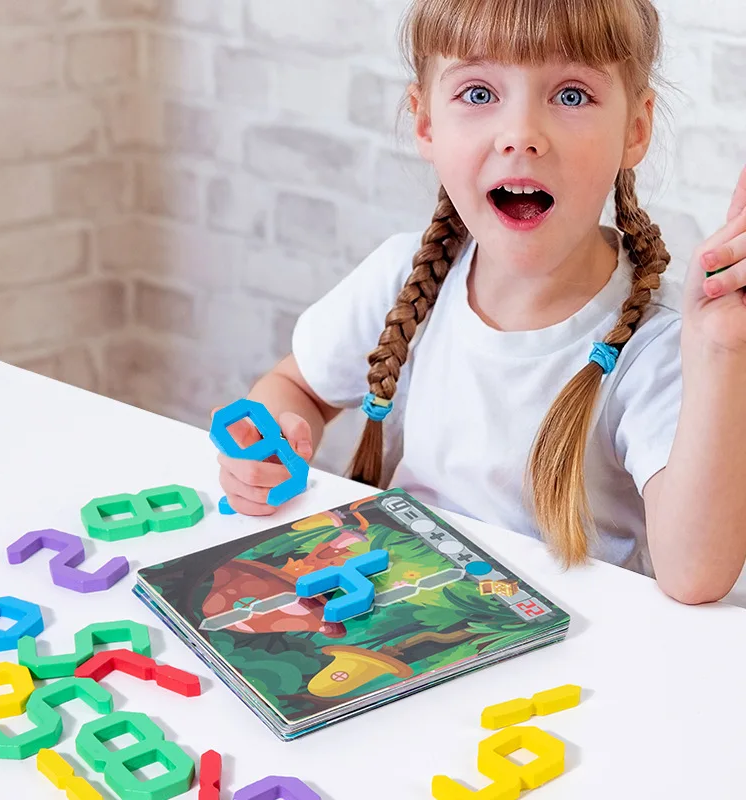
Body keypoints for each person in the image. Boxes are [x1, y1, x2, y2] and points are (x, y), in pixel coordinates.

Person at [215, 0, 746, 605]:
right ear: (425, 122)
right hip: (399, 616)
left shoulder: (664, 343)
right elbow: (297, 388)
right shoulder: (404, 277)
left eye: (572, 95)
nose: (521, 135)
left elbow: (696, 576)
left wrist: (722, 349)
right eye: (478, 93)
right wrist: (270, 450)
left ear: (635, 129)